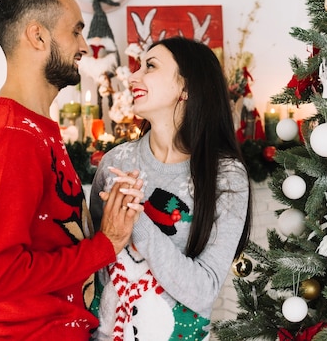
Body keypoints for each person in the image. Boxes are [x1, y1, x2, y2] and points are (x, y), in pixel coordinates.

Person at [0, 0, 144, 340]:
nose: (84, 46)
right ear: (38, 36)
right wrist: (104, 246)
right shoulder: (13, 138)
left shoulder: (34, 128)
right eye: (75, 31)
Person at [89, 36, 252, 340]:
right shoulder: (115, 163)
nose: (133, 76)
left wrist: (137, 220)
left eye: (149, 66)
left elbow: (203, 291)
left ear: (186, 88)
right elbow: (93, 265)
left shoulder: (226, 175)